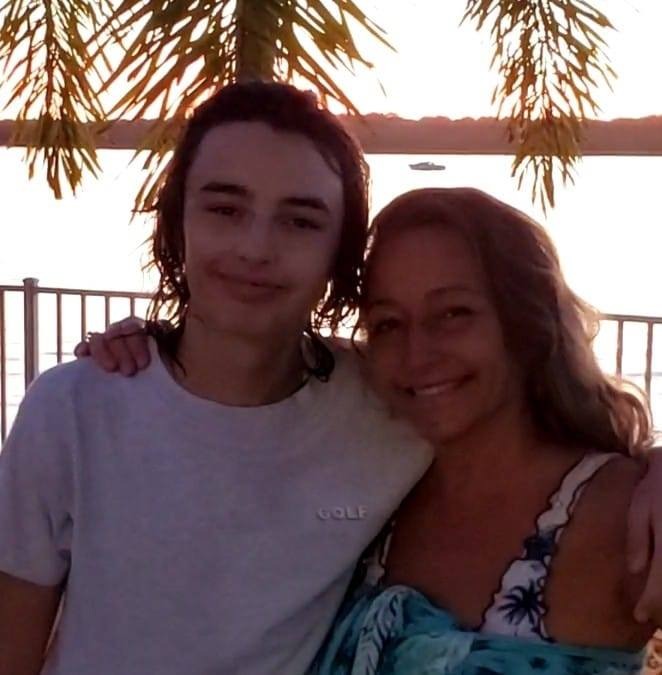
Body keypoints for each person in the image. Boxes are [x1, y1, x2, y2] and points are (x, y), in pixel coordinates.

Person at [0, 81, 433, 675]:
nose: (256, 248)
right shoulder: (73, 409)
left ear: (341, 253)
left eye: (300, 221)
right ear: (177, 222)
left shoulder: (395, 412)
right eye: (225, 210)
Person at [311, 187, 660, 673]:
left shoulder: (618, 516)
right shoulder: (378, 488)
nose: (418, 354)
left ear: (526, 321)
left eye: (454, 313)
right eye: (389, 323)